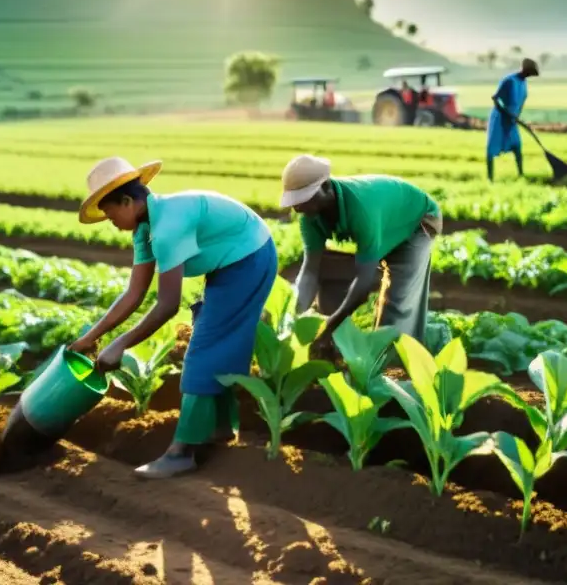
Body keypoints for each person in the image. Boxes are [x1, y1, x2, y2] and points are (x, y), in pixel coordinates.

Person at [69, 156, 277, 479]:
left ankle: (181, 453)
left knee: (203, 350)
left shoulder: (166, 227)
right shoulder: (145, 229)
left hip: (250, 258)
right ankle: (221, 429)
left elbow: (167, 304)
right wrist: (91, 339)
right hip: (229, 263)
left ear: (127, 202)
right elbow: (134, 294)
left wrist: (120, 345)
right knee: (216, 344)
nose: (112, 224)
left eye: (111, 216)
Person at [280, 155, 442, 346]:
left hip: (417, 220)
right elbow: (310, 270)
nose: (298, 207)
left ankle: (393, 368)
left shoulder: (361, 210)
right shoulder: (309, 216)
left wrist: (330, 326)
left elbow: (363, 285)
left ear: (325, 186)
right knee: (332, 276)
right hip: (385, 221)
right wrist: (292, 316)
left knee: (396, 306)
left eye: (304, 198)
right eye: (295, 201)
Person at [486, 58, 539, 181]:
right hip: (499, 118)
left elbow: (521, 102)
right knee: (492, 149)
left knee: (517, 147)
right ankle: (490, 179)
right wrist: (507, 114)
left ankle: (521, 175)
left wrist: (517, 118)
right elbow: (495, 99)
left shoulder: (523, 82)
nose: (531, 75)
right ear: (525, 70)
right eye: (530, 72)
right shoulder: (509, 81)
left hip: (512, 120)